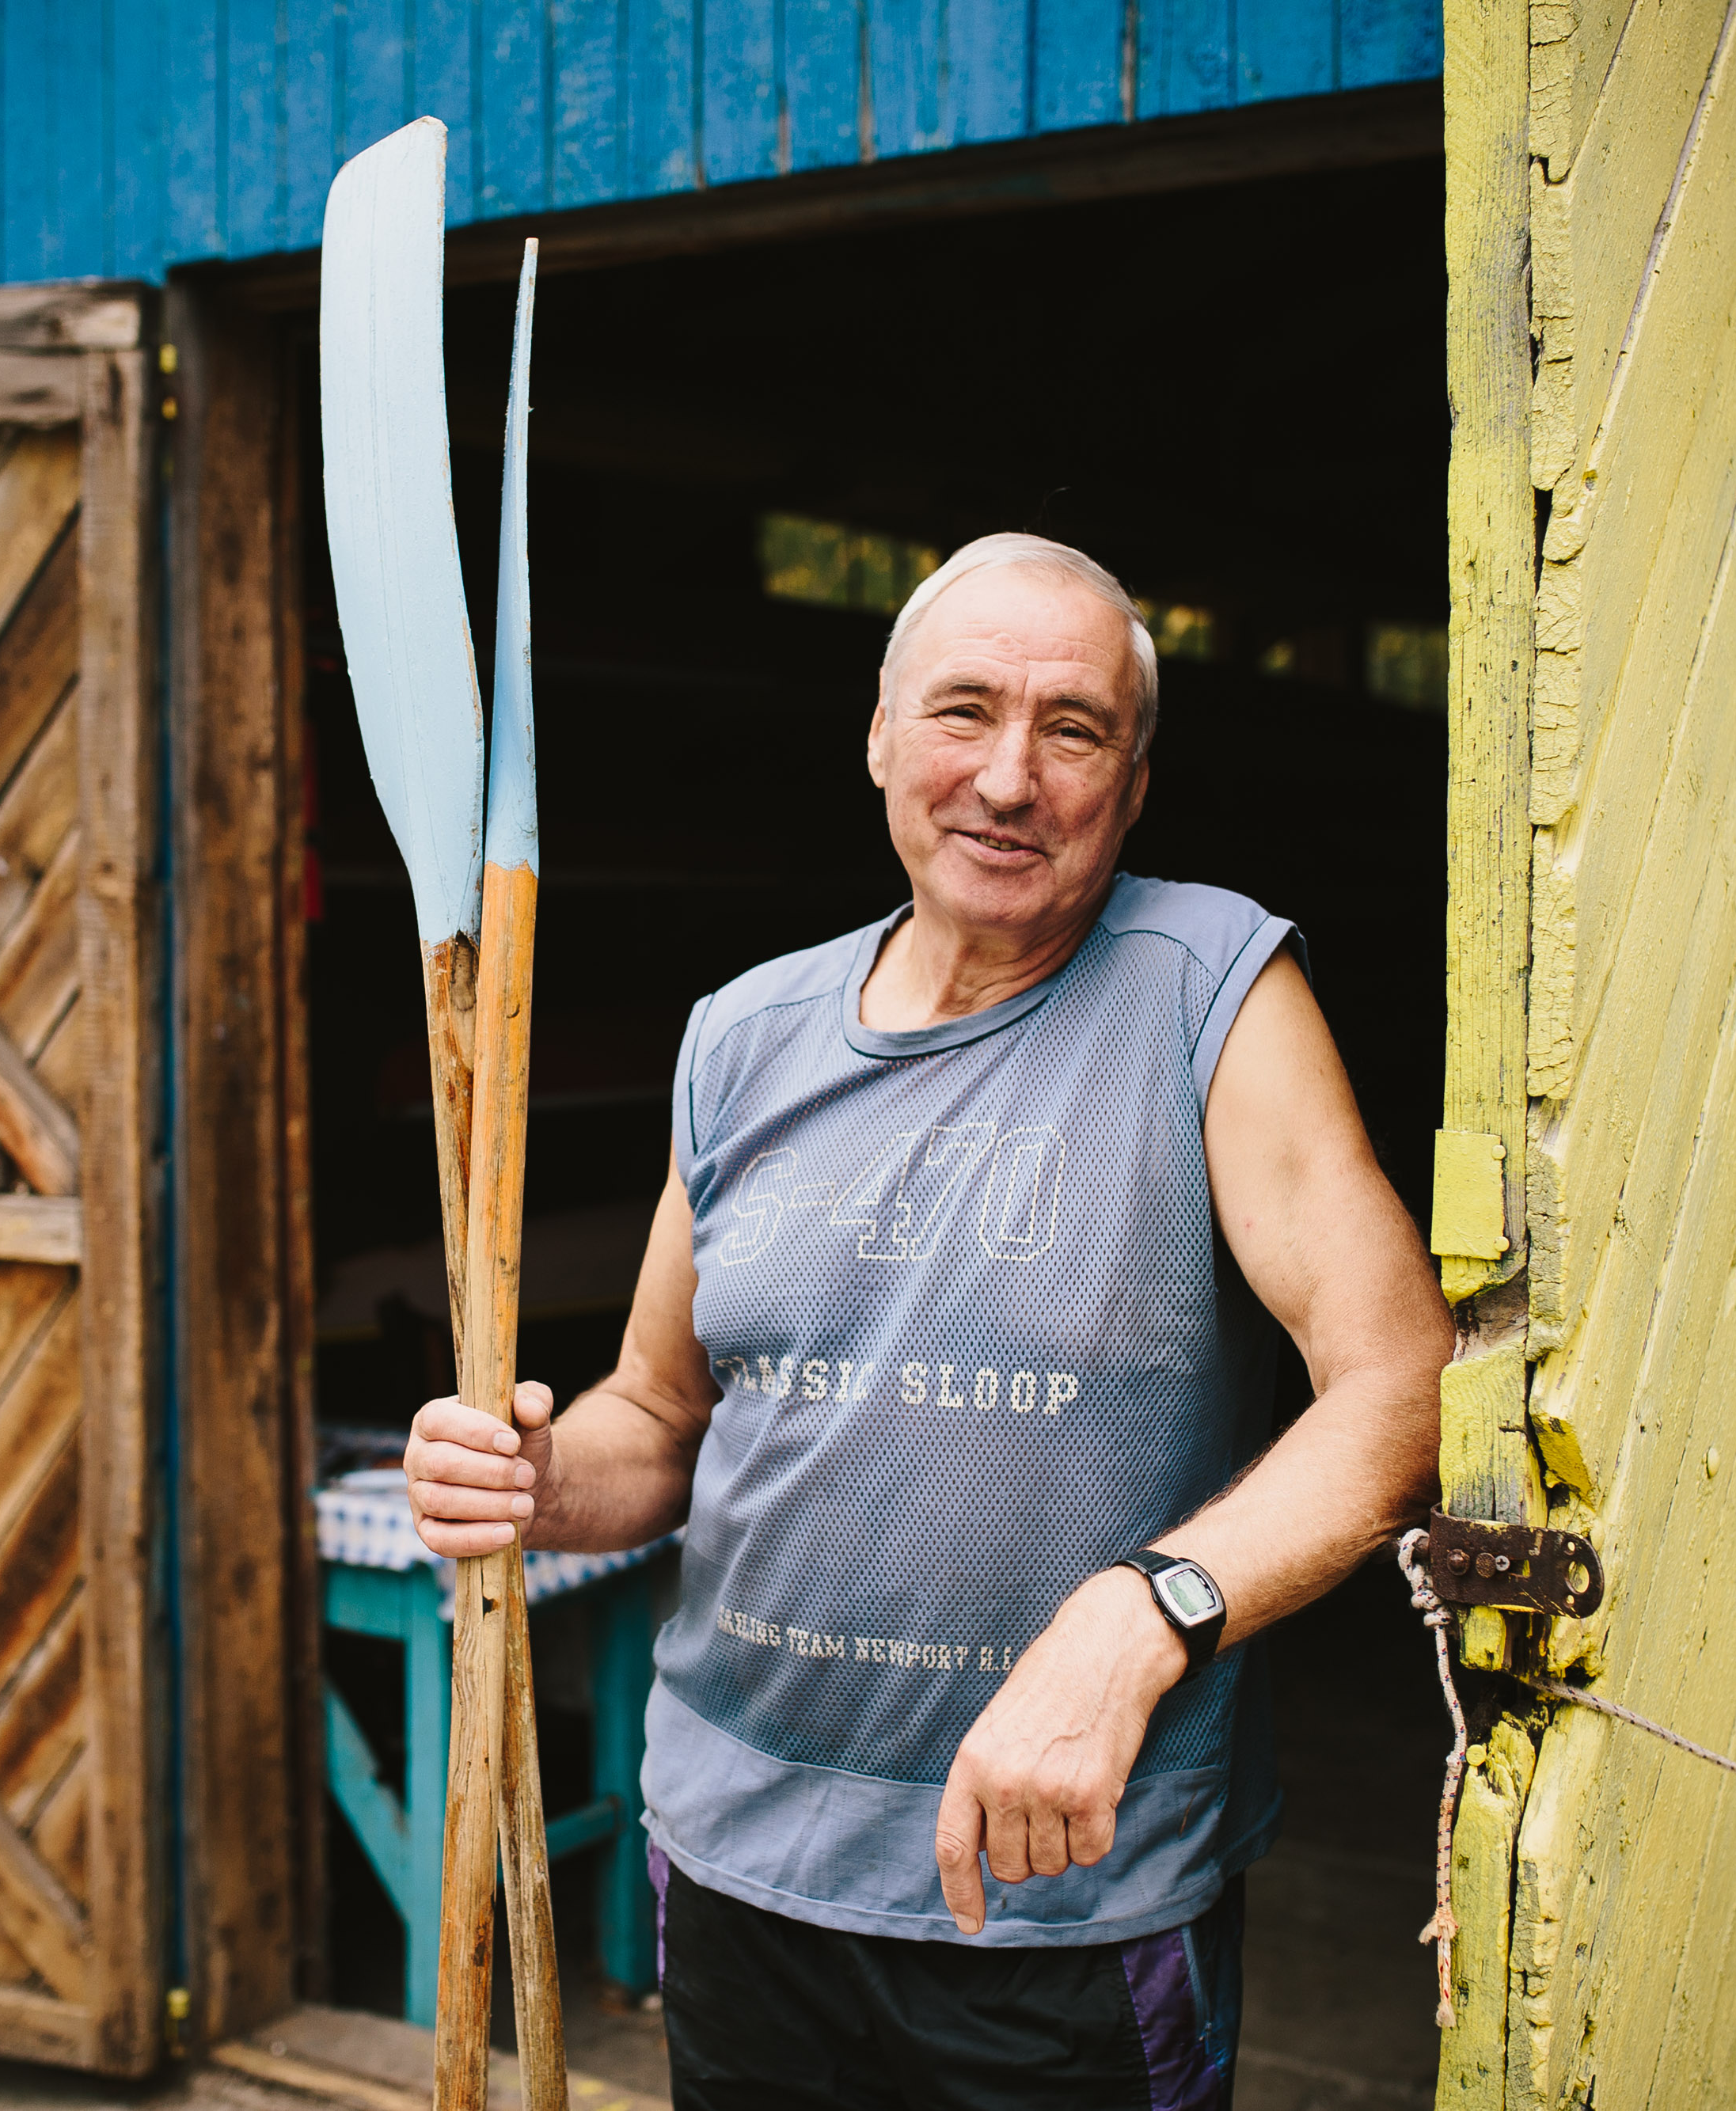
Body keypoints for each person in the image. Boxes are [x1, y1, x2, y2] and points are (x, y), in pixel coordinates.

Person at [404, 533, 1451, 2109]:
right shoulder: (742, 1036)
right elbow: (658, 1417)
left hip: (1059, 1889)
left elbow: (1402, 1385)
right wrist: (532, 1478)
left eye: (1073, 729)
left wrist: (1142, 1615)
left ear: (1134, 786)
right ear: (882, 735)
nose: (1009, 778)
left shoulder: (1208, 991)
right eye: (964, 710)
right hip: (738, 1868)